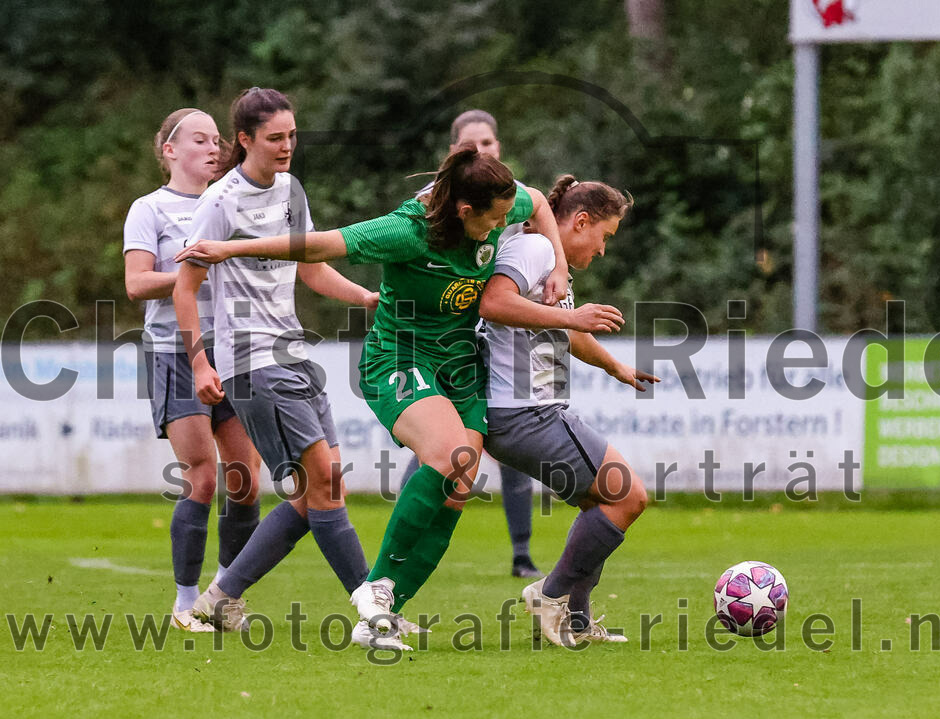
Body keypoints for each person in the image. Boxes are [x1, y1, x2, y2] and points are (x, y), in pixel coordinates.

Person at [175, 146, 600, 642]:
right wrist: (228, 249)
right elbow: (315, 246)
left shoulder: (505, 203)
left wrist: (559, 270)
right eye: (497, 220)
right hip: (401, 358)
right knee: (447, 457)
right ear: (464, 210)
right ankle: (374, 590)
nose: (506, 225)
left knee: (460, 484)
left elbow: (541, 205)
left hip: (460, 364)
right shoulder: (407, 230)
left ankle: (386, 610)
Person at [172, 88, 383, 645]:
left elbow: (308, 265)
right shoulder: (219, 202)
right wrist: (199, 363)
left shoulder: (291, 189)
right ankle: (372, 610)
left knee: (313, 492)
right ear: (244, 140)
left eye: (292, 135)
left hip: (294, 351)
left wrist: (364, 297)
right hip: (251, 361)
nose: (288, 146)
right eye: (275, 138)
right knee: (327, 484)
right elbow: (185, 289)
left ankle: (222, 595)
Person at [478, 175, 657, 647]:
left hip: (525, 411)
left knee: (600, 502)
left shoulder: (548, 259)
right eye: (605, 237)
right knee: (629, 495)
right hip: (526, 411)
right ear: (581, 221)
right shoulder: (535, 249)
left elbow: (571, 335)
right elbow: (493, 302)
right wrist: (570, 317)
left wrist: (615, 366)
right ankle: (551, 595)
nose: (602, 250)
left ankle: (576, 621)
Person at [123, 108, 261, 633]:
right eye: (198, 140)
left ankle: (222, 595)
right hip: (174, 351)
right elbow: (137, 283)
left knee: (245, 479)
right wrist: (194, 264)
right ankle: (184, 603)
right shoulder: (149, 209)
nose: (212, 147)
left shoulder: (229, 204)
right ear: (169, 151)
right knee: (202, 477)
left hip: (232, 351)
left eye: (215, 140)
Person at [399, 109, 542, 579]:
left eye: (489, 143)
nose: (482, 151)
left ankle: (521, 553)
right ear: (454, 154)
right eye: (471, 145)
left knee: (511, 446)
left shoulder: (513, 202)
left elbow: (538, 214)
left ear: (500, 146)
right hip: (452, 342)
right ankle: (406, 543)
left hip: (503, 341)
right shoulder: (435, 211)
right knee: (437, 454)